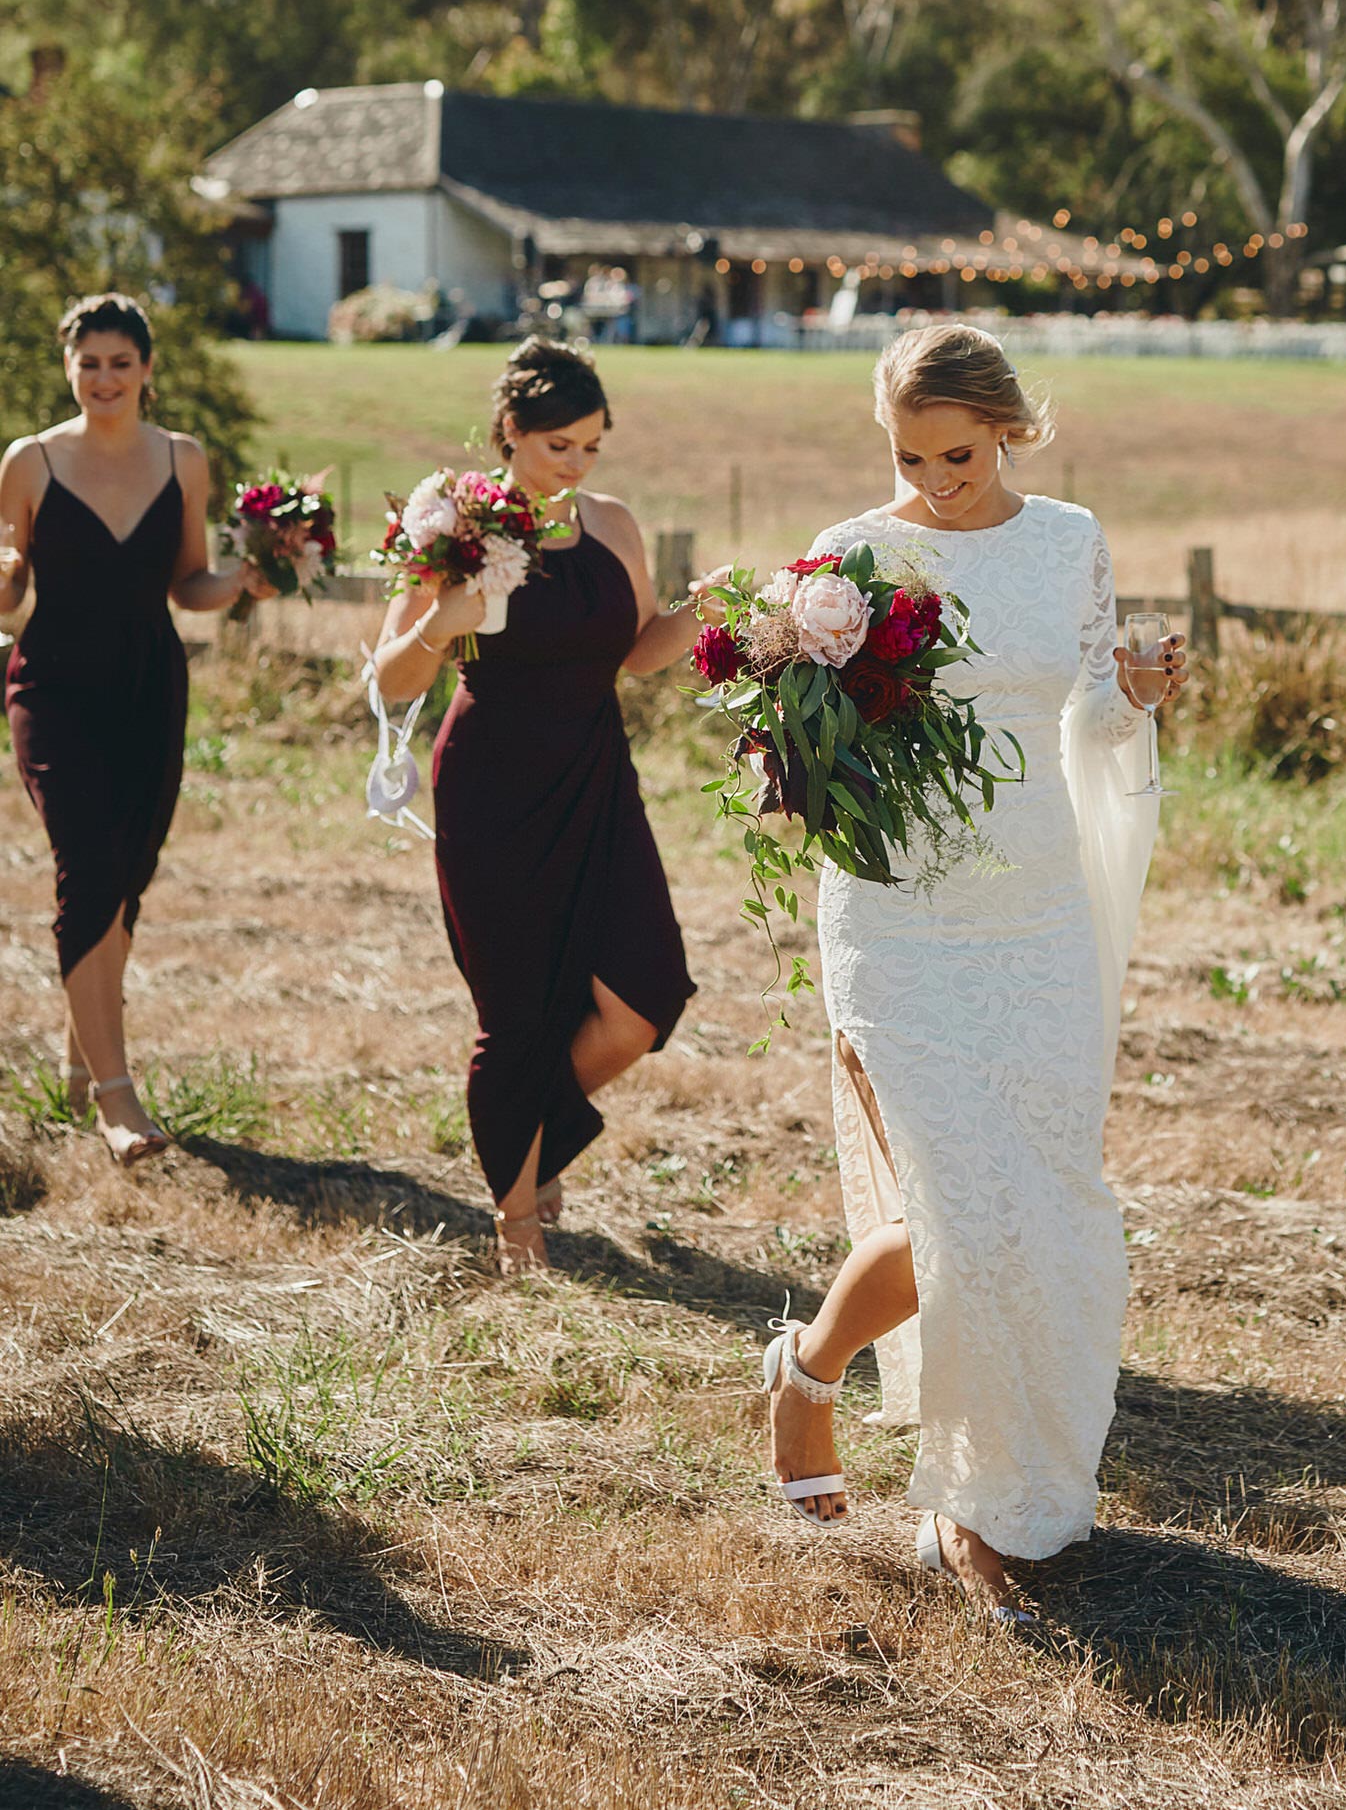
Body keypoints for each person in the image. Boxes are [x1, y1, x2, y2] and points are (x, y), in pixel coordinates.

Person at [757, 321, 1185, 1614]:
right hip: (898, 917)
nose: (935, 483)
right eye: (908, 455)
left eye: (957, 455)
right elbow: (800, 748)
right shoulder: (848, 560)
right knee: (959, 1215)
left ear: (1007, 429)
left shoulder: (1069, 539)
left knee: (1040, 1214)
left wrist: (1141, 687)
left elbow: (1090, 714)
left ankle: (875, 1411)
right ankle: (936, 1482)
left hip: (1040, 914)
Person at [369, 337, 701, 1275]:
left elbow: (635, 651)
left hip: (597, 774)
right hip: (491, 785)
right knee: (514, 1014)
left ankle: (534, 1132)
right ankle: (518, 1227)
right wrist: (441, 624)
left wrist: (706, 616)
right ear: (510, 433)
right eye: (561, 444)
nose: (579, 464)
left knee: (647, 993)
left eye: (593, 446)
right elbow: (391, 679)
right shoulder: (458, 526)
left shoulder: (613, 523)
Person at [0, 293, 276, 1164]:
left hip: (151, 688)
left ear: (148, 371)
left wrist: (239, 583)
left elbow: (186, 582)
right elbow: (9, 601)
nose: (105, 379)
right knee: (89, 867)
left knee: (128, 878)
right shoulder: (31, 461)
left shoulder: (183, 460)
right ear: (68, 368)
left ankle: (87, 1054)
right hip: (54, 685)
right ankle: (117, 1103)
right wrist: (3, 574)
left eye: (121, 363)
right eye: (89, 363)